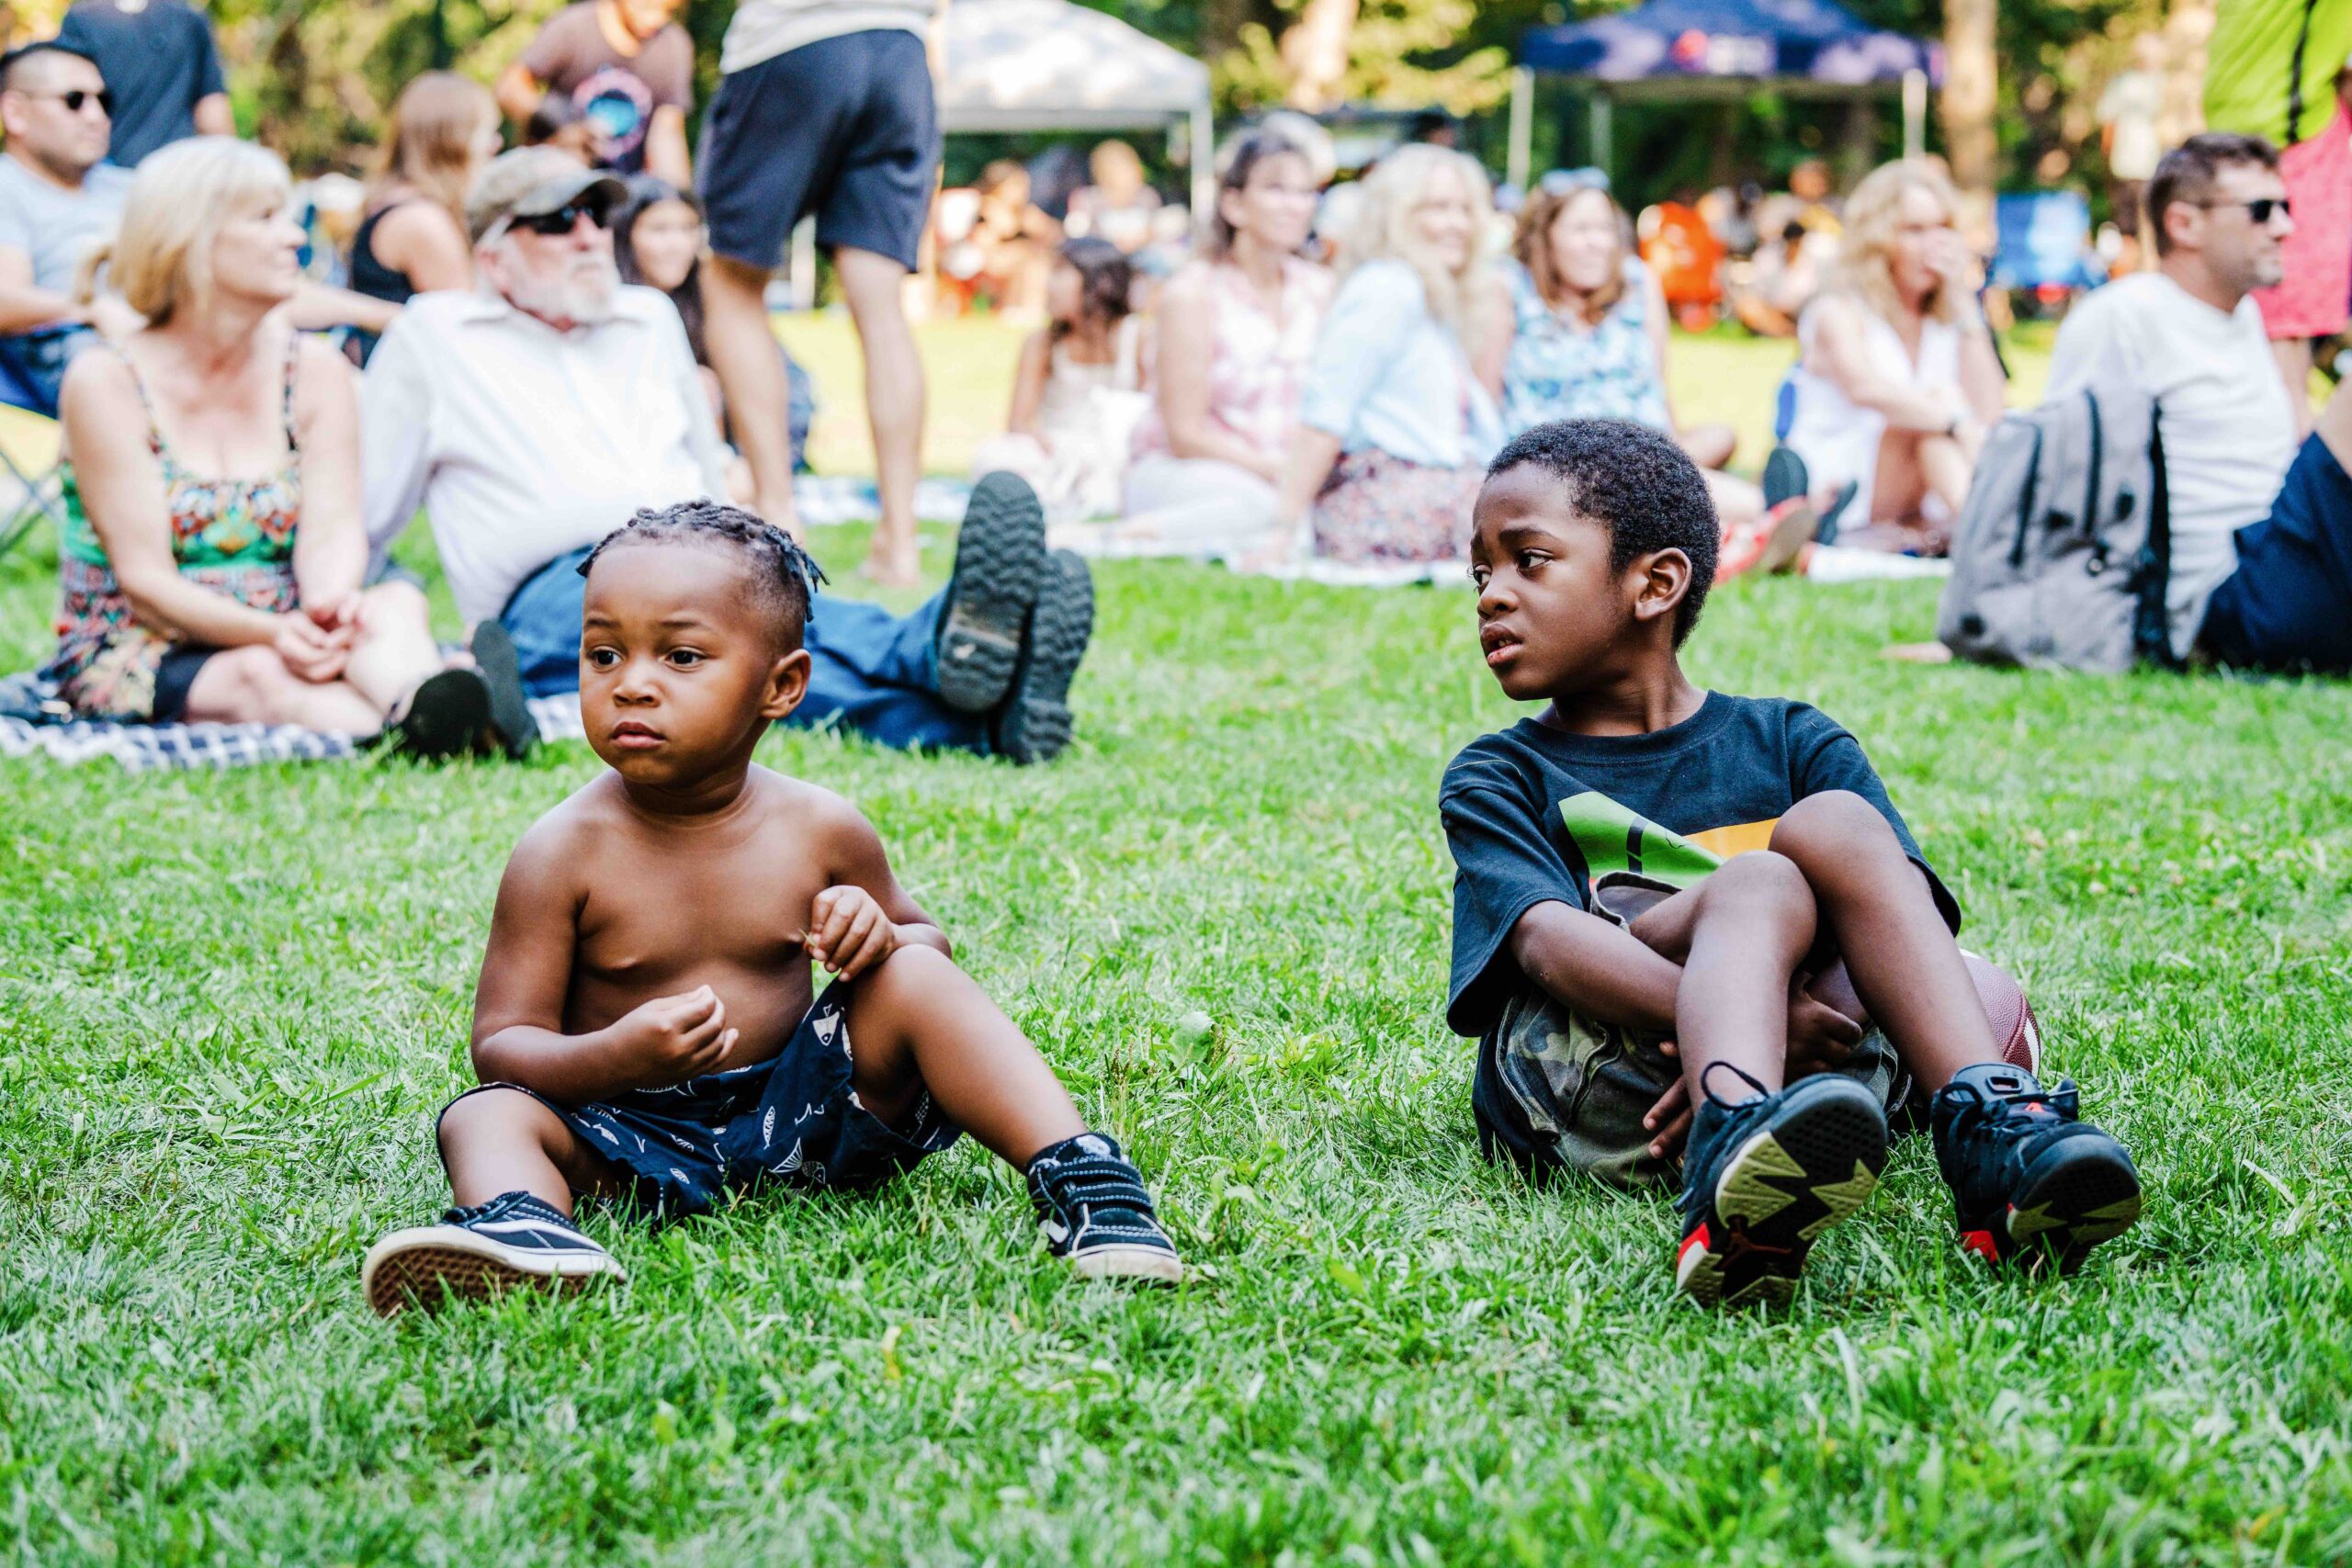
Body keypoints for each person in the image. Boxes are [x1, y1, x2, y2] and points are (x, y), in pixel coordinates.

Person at [358, 502, 1182, 1314]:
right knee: (483, 1116)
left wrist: (877, 931)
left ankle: (1084, 1177)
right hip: (625, 1135)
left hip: (810, 1119)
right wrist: (616, 1057)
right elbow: (502, 1046)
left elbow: (926, 940)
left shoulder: (820, 826)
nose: (631, 686)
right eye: (603, 653)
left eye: (680, 657)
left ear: (781, 685)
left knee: (918, 975)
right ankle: (530, 1227)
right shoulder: (560, 851)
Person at [1441, 418, 2143, 1306]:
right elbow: (1544, 945)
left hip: (1814, 1074)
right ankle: (1732, 1143)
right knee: (1763, 880)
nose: (1489, 594)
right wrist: (1745, 1018)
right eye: (1480, 571)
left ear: (1655, 583)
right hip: (1602, 1073)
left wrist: (1769, 1021)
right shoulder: (1501, 773)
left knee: (1848, 833)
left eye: (1527, 560)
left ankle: (1991, 1134)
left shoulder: (1791, 739)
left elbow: (1901, 921)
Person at [364, 148, 1096, 763]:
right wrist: (364, 613)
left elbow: (702, 455)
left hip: (692, 542)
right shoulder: (436, 337)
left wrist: (747, 538)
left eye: (599, 215)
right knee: (736, 664)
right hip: (560, 588)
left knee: (774, 646)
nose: (589, 236)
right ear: (492, 251)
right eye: (558, 221)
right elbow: (367, 508)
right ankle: (944, 650)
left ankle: (978, 712)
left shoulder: (645, 314)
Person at [42, 138, 506, 757]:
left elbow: (335, 528)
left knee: (391, 604)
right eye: (265, 219)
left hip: (292, 615)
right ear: (188, 238)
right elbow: (145, 582)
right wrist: (272, 633)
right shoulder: (106, 381)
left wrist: (328, 606)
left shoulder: (313, 369)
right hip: (148, 640)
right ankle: (439, 721)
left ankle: (424, 704)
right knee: (262, 677)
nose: (294, 237)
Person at [2044, 133, 2352, 675]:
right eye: (2262, 210)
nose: (2285, 226)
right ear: (2183, 224)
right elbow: (2054, 478)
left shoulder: (2245, 316)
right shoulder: (2125, 314)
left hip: (2278, 559)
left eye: (2287, 207)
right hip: (2217, 597)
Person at [696, 0, 941, 580]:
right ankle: (899, 543)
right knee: (882, 309)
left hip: (792, 40)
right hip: (903, 45)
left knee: (732, 283)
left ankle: (780, 522)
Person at [1479, 176, 1818, 579]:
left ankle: (1743, 535)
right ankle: (1753, 531)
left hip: (1643, 449)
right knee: (1734, 498)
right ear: (1544, 235)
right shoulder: (1510, 287)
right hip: (1557, 464)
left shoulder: (1636, 282)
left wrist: (1671, 451)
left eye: (1605, 229)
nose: (1597, 242)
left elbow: (1656, 383)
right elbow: (1485, 395)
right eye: (1581, 229)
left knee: (1715, 439)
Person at [1279, 143, 1501, 570]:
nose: (1457, 224)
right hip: (1378, 496)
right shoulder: (1387, 288)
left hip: (1432, 490)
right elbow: (1324, 413)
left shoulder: (1430, 297)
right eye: (1436, 208)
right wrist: (1283, 529)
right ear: (1394, 216)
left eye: (1465, 209)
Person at [1114, 130, 1329, 563]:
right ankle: (1126, 537)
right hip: (1187, 469)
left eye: (1306, 193)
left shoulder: (1321, 291)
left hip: (1283, 475)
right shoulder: (1192, 294)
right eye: (1276, 189)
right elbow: (1185, 435)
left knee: (1310, 517)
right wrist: (1278, 473)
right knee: (1270, 511)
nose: (1295, 205)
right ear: (1233, 204)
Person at [1777, 159, 2006, 557]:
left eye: (1942, 229)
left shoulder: (1945, 318)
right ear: (1878, 237)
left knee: (1935, 417)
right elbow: (1866, 389)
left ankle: (1990, 532)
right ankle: (1996, 537)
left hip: (1923, 479)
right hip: (1843, 485)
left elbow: (1991, 410)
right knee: (1924, 418)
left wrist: (1965, 304)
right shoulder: (1838, 308)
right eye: (1915, 230)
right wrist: (1953, 419)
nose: (1934, 245)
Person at [2204, 5, 2352, 433]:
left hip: (2294, 156)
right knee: (2256, 367)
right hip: (2241, 160)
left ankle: (2298, 495)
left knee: (2283, 372)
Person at [613, 175, 815, 474]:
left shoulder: (707, 294)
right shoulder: (612, 303)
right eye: (660, 230)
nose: (678, 244)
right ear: (626, 234)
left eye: (688, 229)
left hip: (720, 448)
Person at [0, 42, 141, 413]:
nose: (97, 117)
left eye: (104, 101)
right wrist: (93, 309)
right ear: (15, 113)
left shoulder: (132, 185)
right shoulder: (7, 186)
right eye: (74, 100)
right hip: (74, 353)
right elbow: (5, 298)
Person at [972, 238, 1144, 524]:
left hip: (1117, 452)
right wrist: (1060, 452)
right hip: (1054, 448)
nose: (1049, 284)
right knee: (994, 458)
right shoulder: (1042, 343)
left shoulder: (1137, 337)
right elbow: (1020, 423)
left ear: (1099, 282)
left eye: (1061, 272)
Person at [345, 72, 502, 367]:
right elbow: (466, 329)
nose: (496, 144)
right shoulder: (421, 221)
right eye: (486, 133)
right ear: (451, 142)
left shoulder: (396, 202)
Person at [494, 0, 693, 186]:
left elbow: (667, 134)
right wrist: (558, 128)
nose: (656, 18)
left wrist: (677, 201)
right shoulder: (574, 27)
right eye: (647, 6)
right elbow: (510, 88)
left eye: (668, 10)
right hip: (554, 179)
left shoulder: (672, 45)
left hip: (620, 188)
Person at [52, 0, 230, 169]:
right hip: (176, 173)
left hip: (110, 171)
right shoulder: (189, 17)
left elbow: (69, 100)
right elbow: (213, 115)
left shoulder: (82, 18)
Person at [2098, 32, 2168, 274]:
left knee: (2133, 230)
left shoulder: (2162, 84)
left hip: (2141, 167)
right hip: (2140, 167)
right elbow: (2110, 127)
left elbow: (2108, 129)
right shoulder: (2159, 84)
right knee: (2135, 230)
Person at [1065, 139, 1159, 255]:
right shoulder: (1088, 199)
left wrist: (1141, 239)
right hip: (1103, 259)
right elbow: (1078, 235)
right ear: (1103, 174)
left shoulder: (1147, 196)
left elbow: (1156, 228)